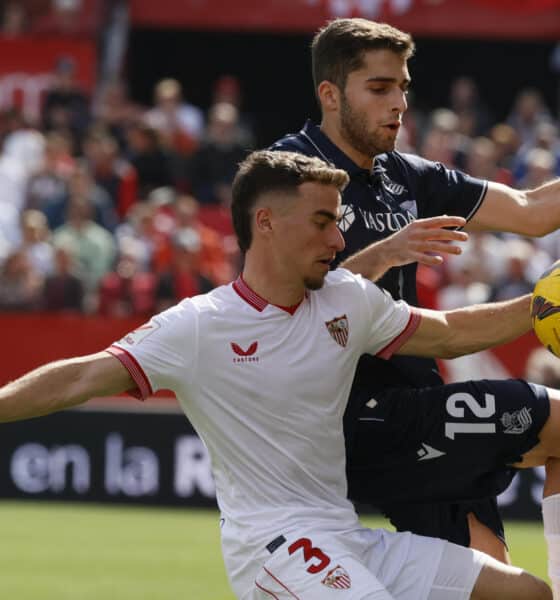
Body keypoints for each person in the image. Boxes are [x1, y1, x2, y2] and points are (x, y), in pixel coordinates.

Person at [0, 150, 552, 599]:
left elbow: (452, 331)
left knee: (526, 594)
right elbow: (80, 378)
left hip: (345, 535)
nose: (338, 240)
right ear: (265, 222)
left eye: (337, 222)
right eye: (322, 222)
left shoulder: (346, 300)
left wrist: (543, 306)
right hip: (277, 547)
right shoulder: (199, 325)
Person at [270, 17, 560, 570]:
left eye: (402, 86)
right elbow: (290, 312)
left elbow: (533, 212)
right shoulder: (288, 175)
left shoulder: (408, 176)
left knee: (494, 581)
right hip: (338, 413)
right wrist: (383, 253)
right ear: (330, 94)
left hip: (413, 403)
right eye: (379, 89)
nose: (398, 102)